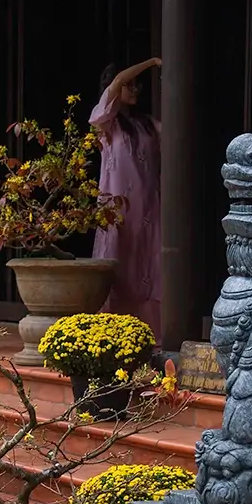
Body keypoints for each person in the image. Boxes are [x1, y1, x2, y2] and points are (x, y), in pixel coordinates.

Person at [89, 57, 162, 338]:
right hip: (118, 207)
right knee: (120, 258)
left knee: (148, 263)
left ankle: (152, 331)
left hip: (148, 205)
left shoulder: (145, 124)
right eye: (129, 85)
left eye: (137, 85)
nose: (134, 89)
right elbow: (118, 80)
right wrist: (152, 62)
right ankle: (115, 330)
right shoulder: (106, 122)